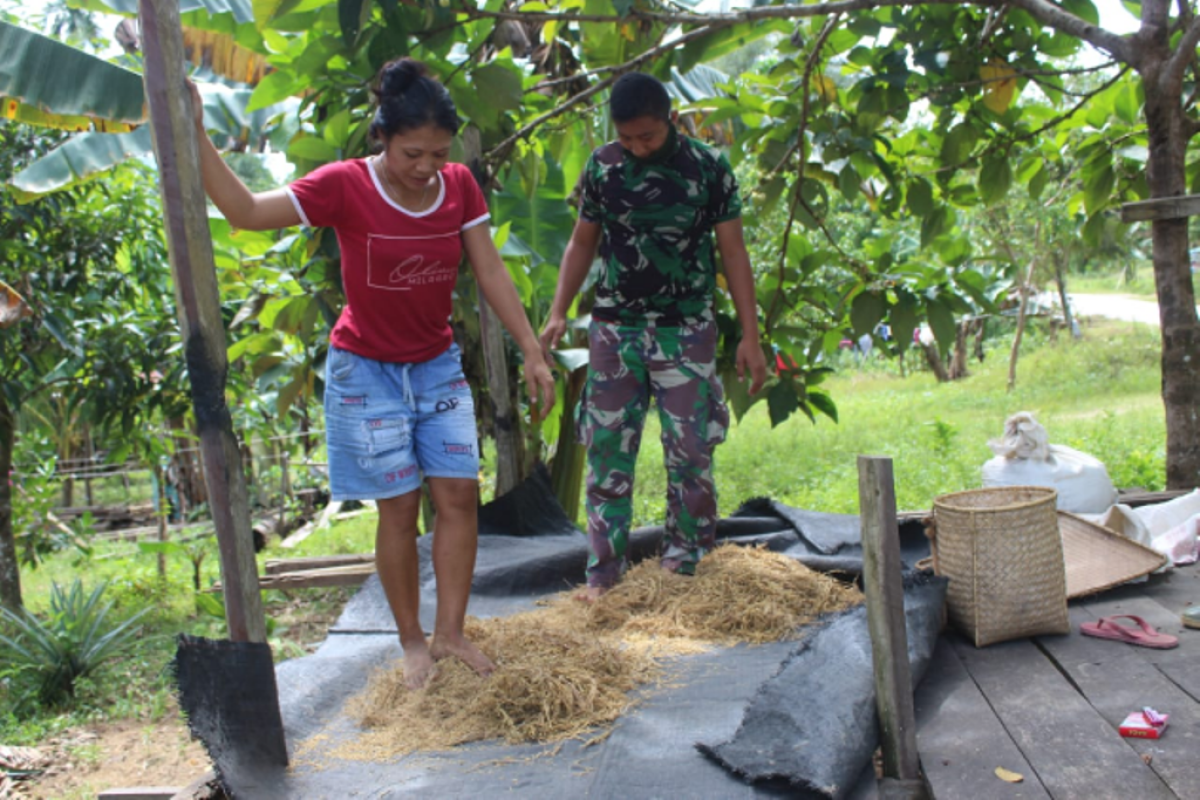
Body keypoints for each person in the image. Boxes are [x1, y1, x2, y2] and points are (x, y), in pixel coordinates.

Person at [189, 58, 555, 688]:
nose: (426, 167)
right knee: (398, 507)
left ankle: (451, 634)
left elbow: (491, 269)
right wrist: (195, 131)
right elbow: (245, 210)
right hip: (367, 373)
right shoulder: (344, 186)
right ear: (383, 137)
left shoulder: (460, 186)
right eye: (413, 152)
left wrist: (531, 347)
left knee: (459, 496)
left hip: (437, 368)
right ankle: (412, 641)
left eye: (438, 153)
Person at [539, 72, 767, 601]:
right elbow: (581, 242)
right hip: (616, 331)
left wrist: (750, 336)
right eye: (628, 139)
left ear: (670, 120)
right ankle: (603, 576)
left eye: (648, 137)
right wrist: (557, 310)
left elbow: (733, 252)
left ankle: (684, 565)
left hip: (686, 330)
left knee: (691, 450)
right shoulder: (602, 166)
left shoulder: (708, 168)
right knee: (607, 451)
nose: (638, 148)